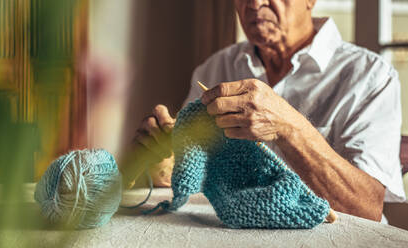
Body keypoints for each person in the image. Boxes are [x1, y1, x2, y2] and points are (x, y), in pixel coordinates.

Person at [128, 0, 406, 222]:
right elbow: (200, 178)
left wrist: (290, 127)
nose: (254, 3)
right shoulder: (215, 68)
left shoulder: (370, 75)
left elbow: (366, 209)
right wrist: (166, 163)